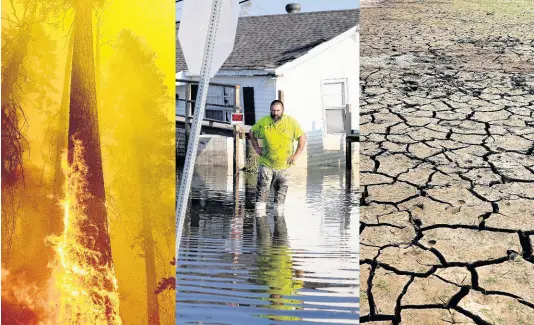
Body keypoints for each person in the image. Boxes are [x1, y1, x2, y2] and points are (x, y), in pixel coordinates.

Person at [249, 100, 307, 215]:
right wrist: (256, 147)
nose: (275, 113)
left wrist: (296, 155)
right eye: (273, 111)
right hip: (266, 164)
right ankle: (260, 220)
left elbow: (303, 137)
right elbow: (252, 132)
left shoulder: (291, 122)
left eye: (277, 111)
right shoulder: (264, 122)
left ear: (283, 110)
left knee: (280, 196)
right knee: (262, 192)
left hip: (284, 166)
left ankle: (279, 221)